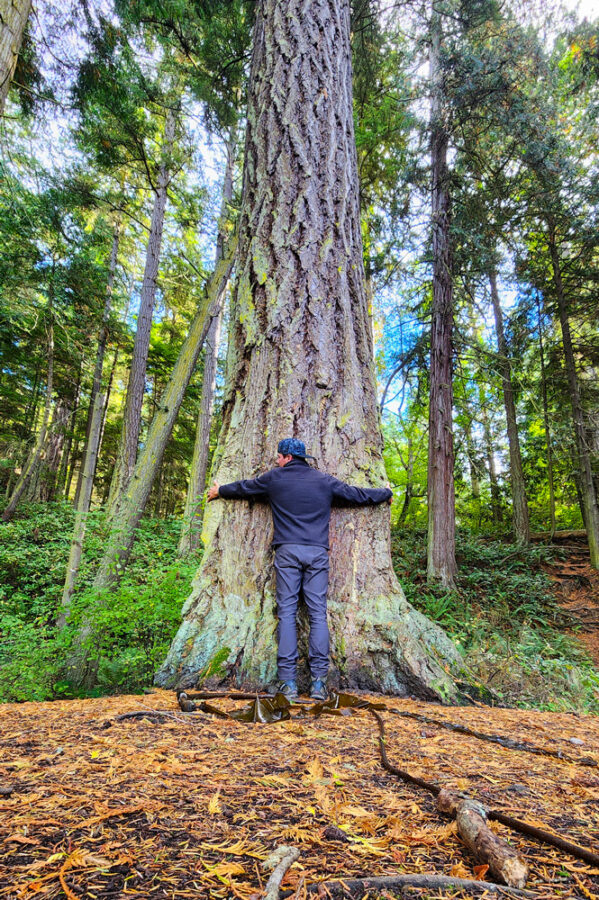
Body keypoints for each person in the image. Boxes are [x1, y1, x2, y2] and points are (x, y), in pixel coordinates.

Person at [207, 438, 392, 701]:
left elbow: (245, 488)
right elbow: (357, 494)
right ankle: (318, 684)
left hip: (288, 552)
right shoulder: (324, 481)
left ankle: (289, 684)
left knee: (287, 613)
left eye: (279, 457)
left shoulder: (274, 479)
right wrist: (385, 493)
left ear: (288, 458)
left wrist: (220, 491)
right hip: (316, 553)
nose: (277, 461)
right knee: (317, 614)